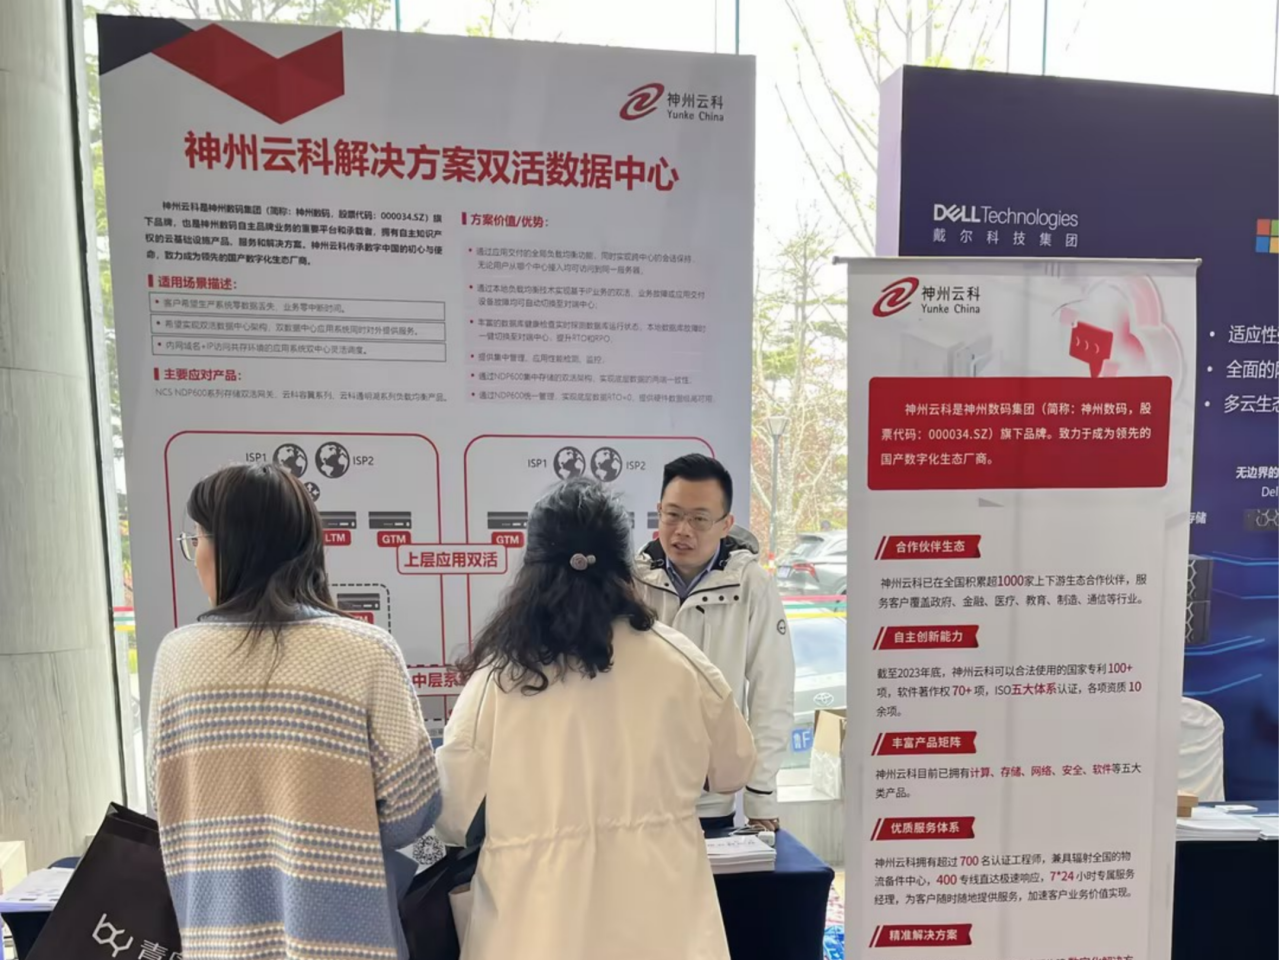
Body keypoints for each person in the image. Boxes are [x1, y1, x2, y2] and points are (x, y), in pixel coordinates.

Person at [436, 479, 756, 960]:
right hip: (662, 929)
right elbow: (734, 768)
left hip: (532, 931)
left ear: (532, 569)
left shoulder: (499, 679)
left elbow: (453, 814)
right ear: (625, 566)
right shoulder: (679, 662)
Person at [148, 464, 440, 960]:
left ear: (230, 548)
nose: (194, 554)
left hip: (222, 944)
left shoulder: (178, 658)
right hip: (347, 945)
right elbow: (412, 812)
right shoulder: (366, 652)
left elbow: (166, 804)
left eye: (197, 539)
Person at [635, 454, 795, 832]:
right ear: (659, 512)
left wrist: (761, 795)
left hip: (710, 798)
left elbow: (772, 693)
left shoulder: (752, 586)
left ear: (726, 525)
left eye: (699, 519)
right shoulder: (631, 582)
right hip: (636, 793)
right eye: (673, 515)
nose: (682, 530)